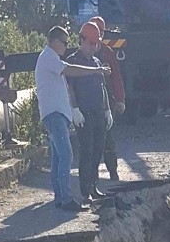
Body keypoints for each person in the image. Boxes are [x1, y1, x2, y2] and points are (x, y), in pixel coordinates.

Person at [35, 25, 108, 211]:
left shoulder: (50, 58)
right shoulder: (49, 57)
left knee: (58, 158)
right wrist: (94, 71)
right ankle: (66, 199)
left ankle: (60, 197)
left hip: (57, 114)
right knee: (66, 155)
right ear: (55, 41)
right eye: (65, 43)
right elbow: (70, 70)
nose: (67, 47)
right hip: (55, 114)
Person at [65, 21, 110, 204]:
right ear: (81, 40)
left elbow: (103, 87)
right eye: (91, 43)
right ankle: (85, 191)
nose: (94, 47)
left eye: (96, 44)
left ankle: (94, 185)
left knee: (98, 150)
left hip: (98, 112)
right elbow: (70, 88)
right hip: (84, 114)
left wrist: (107, 109)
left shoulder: (96, 62)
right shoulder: (73, 62)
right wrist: (74, 109)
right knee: (87, 151)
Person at [87, 17, 125, 181]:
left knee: (108, 140)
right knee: (91, 143)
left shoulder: (107, 52)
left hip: (105, 101)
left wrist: (120, 99)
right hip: (87, 103)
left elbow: (116, 76)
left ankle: (113, 172)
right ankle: (92, 178)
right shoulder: (81, 53)